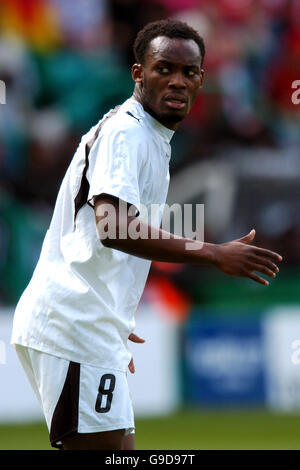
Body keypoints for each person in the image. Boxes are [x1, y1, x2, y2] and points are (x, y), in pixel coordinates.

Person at [11, 18, 282, 451]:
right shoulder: (127, 132)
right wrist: (213, 253)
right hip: (72, 323)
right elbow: (114, 227)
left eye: (188, 72)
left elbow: (104, 236)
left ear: (201, 80)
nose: (177, 81)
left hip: (91, 323)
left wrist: (116, 312)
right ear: (138, 73)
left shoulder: (150, 135)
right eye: (164, 69)